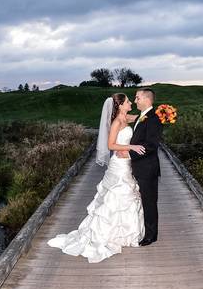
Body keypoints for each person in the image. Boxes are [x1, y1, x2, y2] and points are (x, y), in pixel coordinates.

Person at [47, 93, 146, 263]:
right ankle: (109, 235)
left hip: (127, 164)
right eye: (128, 101)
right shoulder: (116, 122)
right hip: (118, 166)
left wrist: (161, 112)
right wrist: (132, 146)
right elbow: (110, 145)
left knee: (128, 197)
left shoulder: (126, 118)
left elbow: (142, 116)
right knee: (115, 198)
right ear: (120, 105)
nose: (131, 103)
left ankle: (124, 235)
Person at [129, 88, 163, 245]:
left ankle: (151, 235)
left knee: (149, 202)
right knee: (144, 200)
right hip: (139, 167)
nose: (135, 101)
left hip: (147, 169)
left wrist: (130, 154)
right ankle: (146, 230)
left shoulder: (153, 119)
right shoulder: (141, 117)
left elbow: (151, 145)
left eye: (137, 98)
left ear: (147, 100)